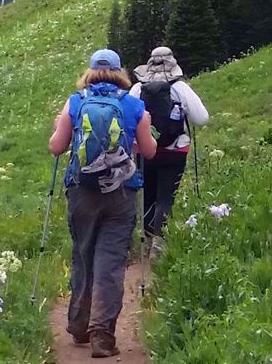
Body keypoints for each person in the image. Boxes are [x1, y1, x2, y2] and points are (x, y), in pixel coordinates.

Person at [48, 48, 156, 358]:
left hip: (82, 190)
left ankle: (79, 324)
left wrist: (60, 126)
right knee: (109, 263)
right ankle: (102, 336)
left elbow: (56, 147)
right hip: (121, 193)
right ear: (120, 72)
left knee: (84, 256)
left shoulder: (76, 102)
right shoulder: (134, 105)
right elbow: (148, 152)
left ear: (90, 72)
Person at [130, 46, 209, 258]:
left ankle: (146, 239)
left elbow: (128, 119)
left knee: (148, 193)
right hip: (175, 150)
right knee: (166, 196)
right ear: (172, 63)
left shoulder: (138, 89)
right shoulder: (180, 88)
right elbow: (202, 118)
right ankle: (159, 242)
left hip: (145, 150)